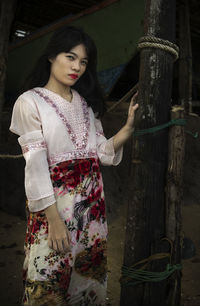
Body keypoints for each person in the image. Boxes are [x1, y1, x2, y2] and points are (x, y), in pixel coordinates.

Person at [9, 26, 138, 305]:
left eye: (83, 62)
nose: (77, 67)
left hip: (92, 210)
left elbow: (101, 153)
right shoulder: (30, 102)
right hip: (54, 210)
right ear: (51, 56)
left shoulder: (86, 105)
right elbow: (35, 164)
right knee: (48, 281)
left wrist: (127, 129)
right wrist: (53, 221)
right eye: (70, 57)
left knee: (87, 280)